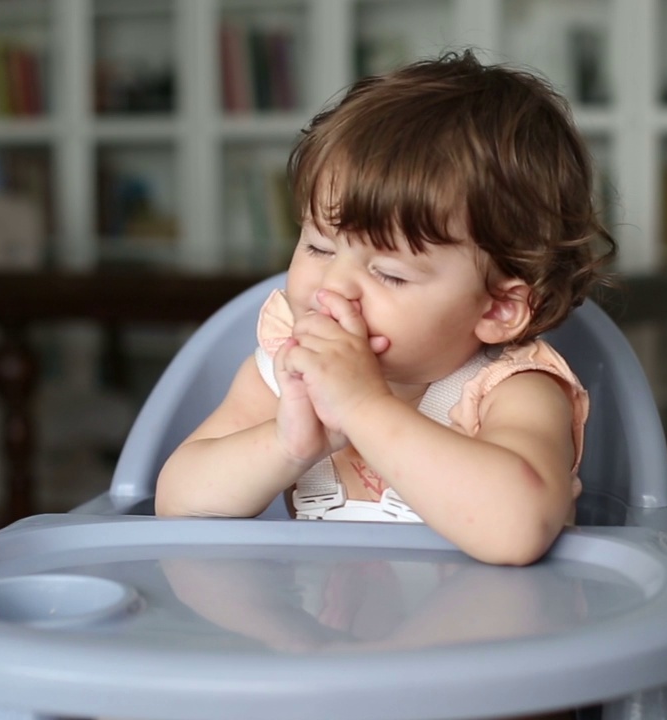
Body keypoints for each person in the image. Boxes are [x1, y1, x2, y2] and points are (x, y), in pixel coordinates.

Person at [155, 49, 616, 566]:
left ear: (497, 308)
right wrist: (289, 444)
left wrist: (362, 406)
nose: (333, 285)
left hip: (483, 637)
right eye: (319, 247)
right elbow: (178, 502)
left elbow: (517, 531)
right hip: (331, 636)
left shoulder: (512, 391)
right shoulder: (284, 373)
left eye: (389, 274)